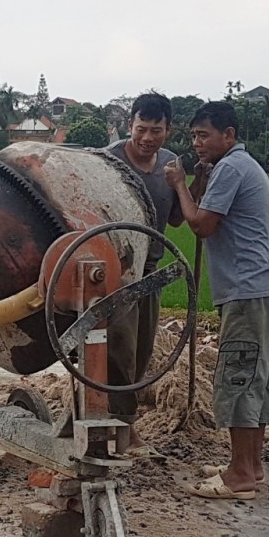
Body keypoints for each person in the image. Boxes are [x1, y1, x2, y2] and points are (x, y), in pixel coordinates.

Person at [164, 101, 269, 501]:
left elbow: (200, 224)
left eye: (204, 135)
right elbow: (207, 208)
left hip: (248, 294)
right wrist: (199, 179)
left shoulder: (232, 167)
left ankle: (238, 476)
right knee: (259, 379)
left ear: (229, 135)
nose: (197, 143)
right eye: (193, 136)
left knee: (239, 378)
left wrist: (180, 184)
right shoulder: (237, 166)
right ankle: (250, 466)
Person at [104, 92, 187, 459]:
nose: (148, 138)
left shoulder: (172, 165)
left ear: (168, 130)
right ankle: (121, 432)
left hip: (149, 272)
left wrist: (190, 184)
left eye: (156, 130)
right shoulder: (108, 162)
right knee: (118, 350)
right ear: (129, 126)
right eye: (141, 129)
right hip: (114, 273)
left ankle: (121, 426)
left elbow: (176, 220)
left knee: (141, 353)